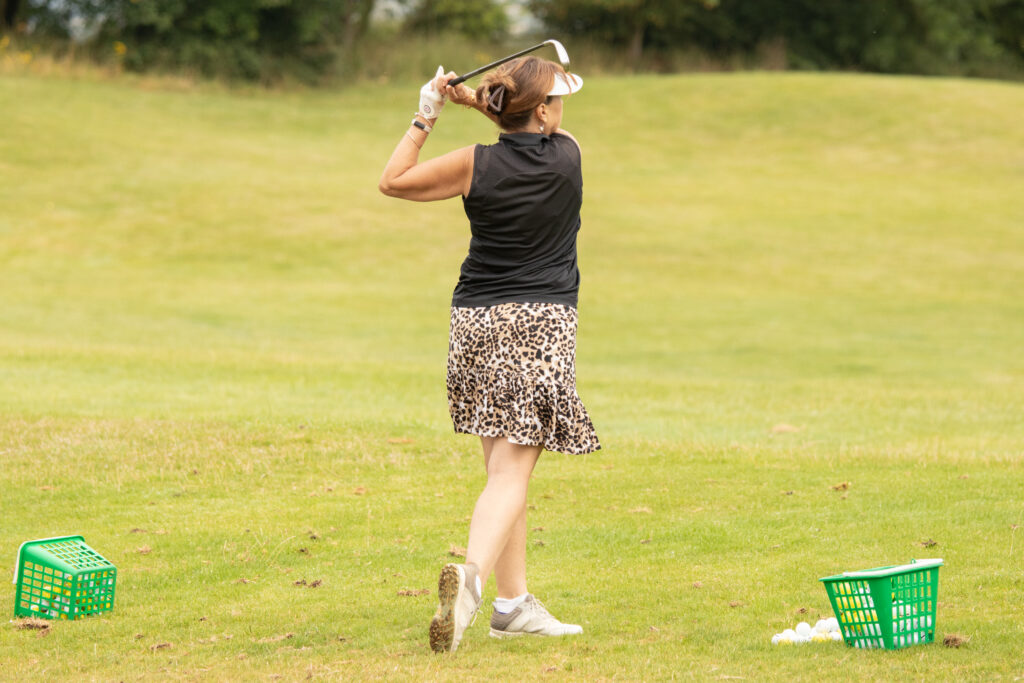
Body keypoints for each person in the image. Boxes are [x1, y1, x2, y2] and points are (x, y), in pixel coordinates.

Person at [379, 56, 600, 654]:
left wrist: (430, 110)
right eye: (558, 102)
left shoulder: (475, 164)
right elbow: (532, 123)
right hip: (540, 324)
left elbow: (393, 180)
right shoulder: (569, 155)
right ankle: (473, 584)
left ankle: (514, 604)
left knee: (502, 474)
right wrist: (477, 99)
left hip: (473, 321)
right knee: (511, 473)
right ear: (547, 113)